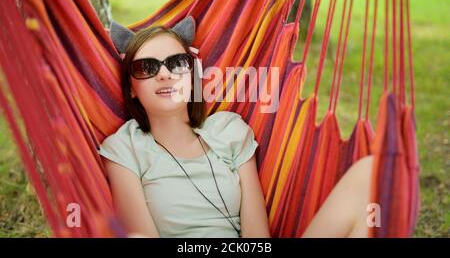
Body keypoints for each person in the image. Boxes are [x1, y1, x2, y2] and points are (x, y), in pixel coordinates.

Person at [98, 16, 374, 238]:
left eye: (177, 63)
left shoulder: (229, 131)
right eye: (146, 68)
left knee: (369, 171)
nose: (164, 74)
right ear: (131, 89)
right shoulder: (125, 149)